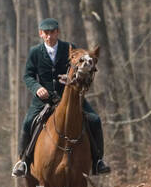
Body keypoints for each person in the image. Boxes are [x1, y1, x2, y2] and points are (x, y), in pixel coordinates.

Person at [12, 17, 108, 177]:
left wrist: (73, 80)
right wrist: (37, 88)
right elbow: (28, 76)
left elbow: (79, 70)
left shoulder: (70, 49)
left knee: (95, 119)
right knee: (28, 122)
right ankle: (24, 161)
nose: (49, 36)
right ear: (41, 34)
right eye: (46, 33)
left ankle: (98, 161)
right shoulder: (35, 52)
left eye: (52, 32)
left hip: (70, 97)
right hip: (43, 100)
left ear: (58, 33)